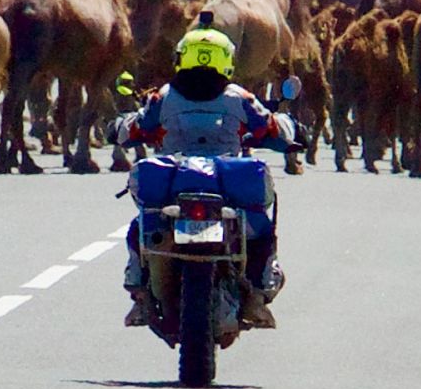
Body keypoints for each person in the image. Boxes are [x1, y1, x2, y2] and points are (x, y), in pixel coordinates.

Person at [115, 21, 295, 329]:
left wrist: (119, 127)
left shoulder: (164, 97)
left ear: (182, 56)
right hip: (227, 185)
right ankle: (257, 294)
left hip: (175, 184)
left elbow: (134, 128)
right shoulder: (240, 98)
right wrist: (291, 128)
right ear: (227, 59)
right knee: (261, 230)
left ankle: (141, 298)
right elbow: (275, 129)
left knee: (139, 227)